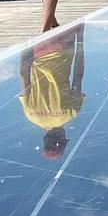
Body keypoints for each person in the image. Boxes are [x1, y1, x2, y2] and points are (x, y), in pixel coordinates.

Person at [19, 25, 85, 161]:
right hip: (40, 50)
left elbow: (78, 74)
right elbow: (24, 75)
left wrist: (80, 40)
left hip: (64, 48)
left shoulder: (71, 113)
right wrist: (26, 48)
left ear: (62, 137)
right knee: (48, 18)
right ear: (45, 138)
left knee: (66, 10)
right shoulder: (30, 115)